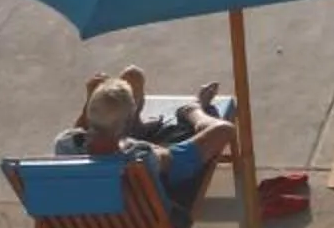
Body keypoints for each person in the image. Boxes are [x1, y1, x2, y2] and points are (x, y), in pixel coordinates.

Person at [58, 67, 234, 205]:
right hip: (139, 219)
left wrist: (92, 102)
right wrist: (194, 108)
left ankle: (133, 124)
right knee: (134, 76)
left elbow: (78, 134)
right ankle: (186, 110)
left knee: (132, 75)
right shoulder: (142, 157)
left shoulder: (65, 146)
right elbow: (224, 130)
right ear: (125, 124)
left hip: (84, 221)